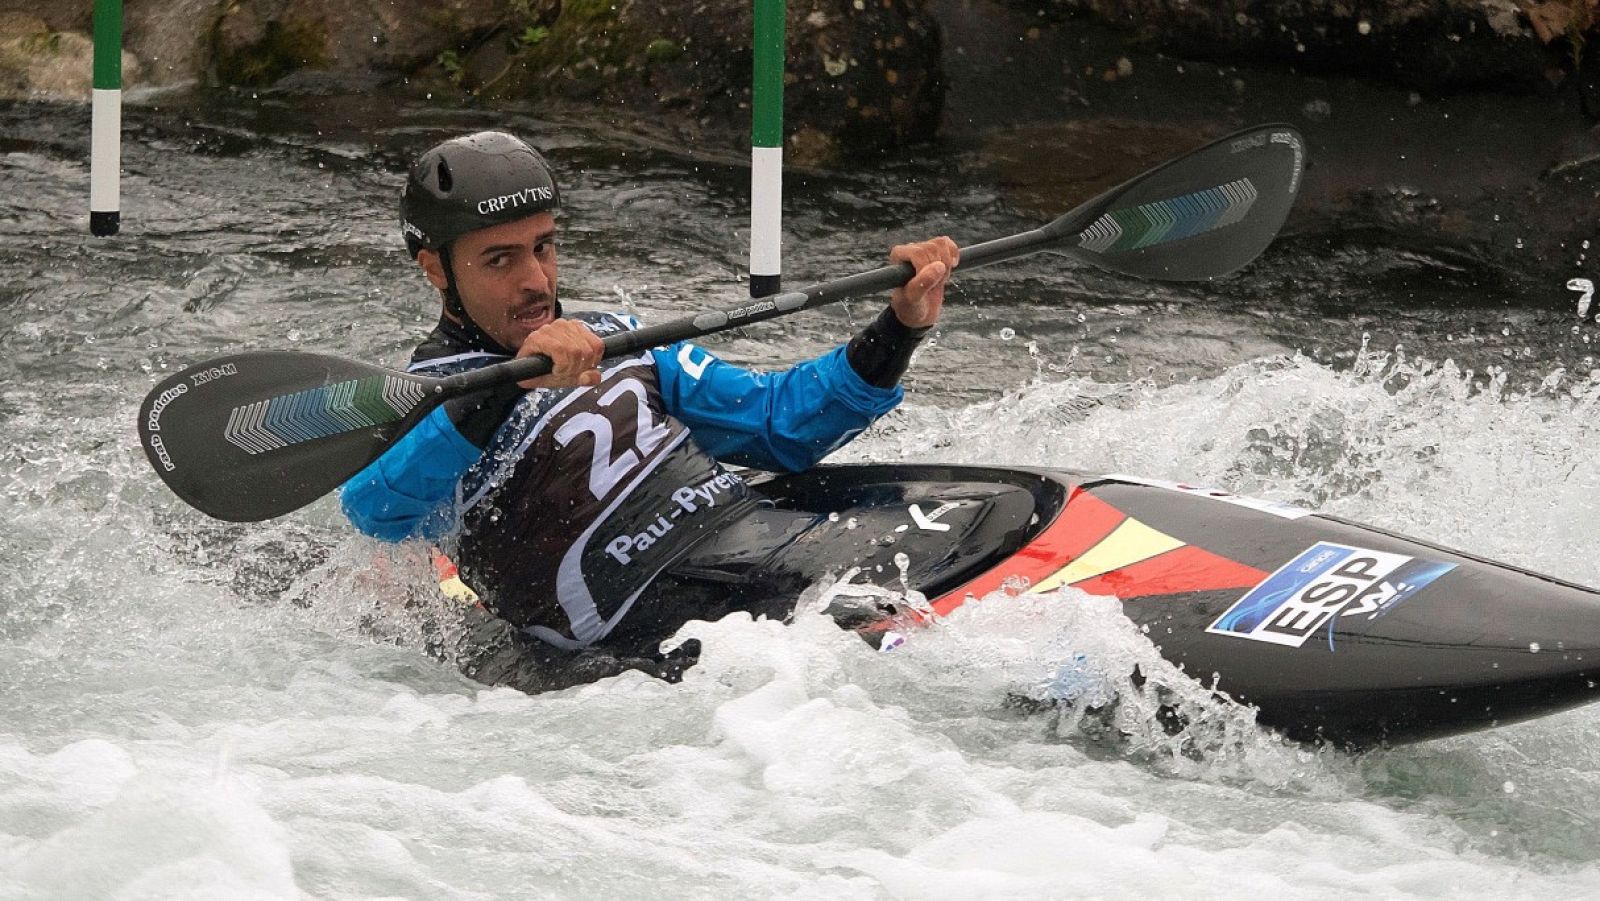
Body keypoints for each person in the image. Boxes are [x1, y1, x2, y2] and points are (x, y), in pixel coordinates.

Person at [341, 130, 957, 688]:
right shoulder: (426, 397)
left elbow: (778, 425)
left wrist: (899, 328)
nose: (536, 281)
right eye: (500, 260)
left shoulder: (619, 337)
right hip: (643, 647)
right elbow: (375, 509)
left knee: (919, 620)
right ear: (435, 269)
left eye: (544, 248)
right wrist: (508, 386)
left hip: (758, 551)